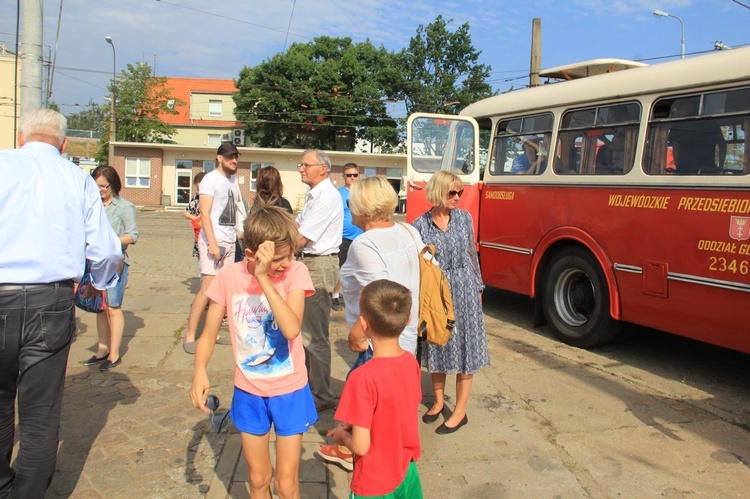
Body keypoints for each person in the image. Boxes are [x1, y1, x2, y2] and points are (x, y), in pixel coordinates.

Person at [0, 108, 122, 497]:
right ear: (64, 143)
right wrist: (96, 285)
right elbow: (105, 250)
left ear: (21, 137)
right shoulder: (77, 179)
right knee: (39, 412)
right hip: (50, 298)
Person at [190, 206, 316, 499]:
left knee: (286, 485)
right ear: (250, 255)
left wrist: (264, 279)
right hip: (249, 390)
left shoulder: (297, 273)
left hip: (290, 389)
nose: (287, 263)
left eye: (289, 256)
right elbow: (208, 334)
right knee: (258, 479)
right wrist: (199, 371)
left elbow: (291, 329)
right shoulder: (228, 276)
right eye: (280, 259)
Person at [316, 175, 424, 470]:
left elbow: (378, 296)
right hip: (406, 331)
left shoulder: (365, 244)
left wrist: (357, 333)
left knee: (363, 394)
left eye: (352, 203)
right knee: (387, 401)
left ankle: (354, 451)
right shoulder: (408, 230)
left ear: (362, 207)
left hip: (378, 338)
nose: (349, 208)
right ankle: (381, 449)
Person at [326, 280, 423, 498]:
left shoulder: (362, 377)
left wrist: (342, 435)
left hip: (374, 480)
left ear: (363, 324)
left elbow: (360, 446)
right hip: (406, 470)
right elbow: (396, 408)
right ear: (408, 319)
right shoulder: (410, 363)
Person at [412, 170, 489, 434]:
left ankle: (460, 410)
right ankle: (437, 401)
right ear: (437, 192)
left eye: (460, 192)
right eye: (451, 192)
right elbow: (419, 264)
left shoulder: (465, 218)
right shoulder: (419, 224)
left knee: (465, 348)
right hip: (437, 291)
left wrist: (479, 287)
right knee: (437, 343)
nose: (457, 197)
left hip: (465, 288)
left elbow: (471, 254)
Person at [295, 149, 344, 411]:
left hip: (318, 265)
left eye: (306, 165)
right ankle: (309, 387)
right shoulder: (316, 195)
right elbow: (297, 228)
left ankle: (322, 395)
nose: (301, 169)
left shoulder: (325, 197)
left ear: (323, 169)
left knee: (314, 335)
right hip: (309, 263)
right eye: (301, 165)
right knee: (306, 331)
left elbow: (300, 238)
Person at [184, 142, 242, 354]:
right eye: (229, 157)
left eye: (235, 157)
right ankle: (190, 335)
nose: (234, 160)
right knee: (207, 290)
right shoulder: (210, 179)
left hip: (229, 240)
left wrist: (240, 233)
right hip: (213, 241)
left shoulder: (233, 180)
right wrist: (213, 244)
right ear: (219, 158)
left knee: (222, 292)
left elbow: (235, 211)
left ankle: (213, 332)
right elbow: (205, 214)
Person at [86, 165, 139, 371]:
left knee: (113, 307)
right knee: (99, 308)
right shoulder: (93, 205)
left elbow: (132, 235)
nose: (100, 190)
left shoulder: (125, 207)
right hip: (94, 263)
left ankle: (114, 354)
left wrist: (110, 241)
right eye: (96, 186)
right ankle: (102, 349)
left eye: (104, 186)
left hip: (115, 263)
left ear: (113, 185)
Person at [331, 162, 364, 311]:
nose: (352, 177)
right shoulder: (338, 194)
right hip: (344, 237)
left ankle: (360, 297)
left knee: (361, 266)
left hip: (362, 235)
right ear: (344, 176)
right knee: (342, 267)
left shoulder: (363, 192)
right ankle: (335, 296)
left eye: (355, 175)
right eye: (349, 175)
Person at [183, 172, 207, 270]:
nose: (199, 190)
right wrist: (195, 218)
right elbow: (185, 212)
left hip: (214, 238)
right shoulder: (196, 198)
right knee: (202, 269)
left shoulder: (215, 197)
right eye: (197, 188)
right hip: (199, 236)